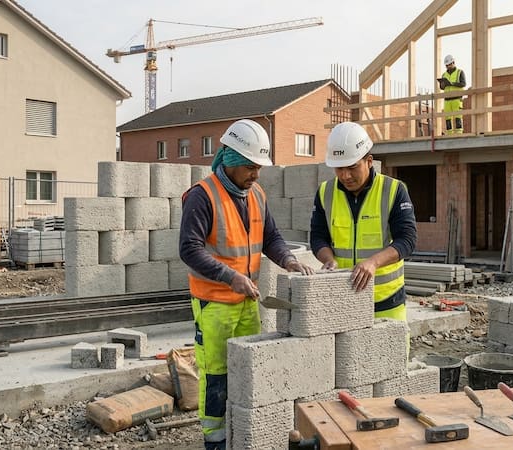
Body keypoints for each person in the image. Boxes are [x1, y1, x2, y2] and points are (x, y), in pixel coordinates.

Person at [180, 118, 315, 450]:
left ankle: (244, 431)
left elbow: (271, 236)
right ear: (230, 160)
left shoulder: (255, 193)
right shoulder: (202, 196)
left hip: (246, 301)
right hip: (214, 304)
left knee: (248, 370)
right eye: (250, 167)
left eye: (259, 167)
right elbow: (189, 249)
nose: (256, 174)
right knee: (217, 375)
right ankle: (215, 440)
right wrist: (230, 277)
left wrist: (287, 259)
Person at [310, 121, 417, 325]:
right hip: (343, 297)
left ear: (369, 161)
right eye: (339, 169)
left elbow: (408, 240)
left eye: (352, 167)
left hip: (386, 299)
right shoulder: (326, 192)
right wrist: (328, 259)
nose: (345, 176)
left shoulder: (393, 190)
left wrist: (373, 262)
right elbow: (317, 236)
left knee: (390, 356)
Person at [438, 54, 467, 134]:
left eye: (449, 65)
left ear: (453, 62)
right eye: (447, 65)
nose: (448, 67)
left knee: (458, 116)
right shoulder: (444, 75)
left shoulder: (460, 72)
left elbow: (463, 84)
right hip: (447, 100)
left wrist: (452, 83)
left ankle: (458, 134)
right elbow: (442, 88)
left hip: (457, 99)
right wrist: (442, 84)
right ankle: (449, 134)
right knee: (448, 118)